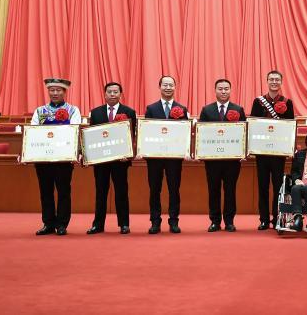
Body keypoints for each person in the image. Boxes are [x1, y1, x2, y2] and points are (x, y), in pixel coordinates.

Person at [29, 78, 81, 236]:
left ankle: (62, 224)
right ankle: (48, 223)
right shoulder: (40, 111)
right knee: (45, 191)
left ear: (64, 92)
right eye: (52, 90)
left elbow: (75, 130)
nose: (55, 93)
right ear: (48, 91)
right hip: (43, 159)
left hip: (63, 158)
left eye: (58, 90)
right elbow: (33, 131)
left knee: (63, 191)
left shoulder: (73, 110)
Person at [87, 82, 137, 235]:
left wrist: (128, 154)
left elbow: (133, 135)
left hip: (120, 161)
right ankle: (98, 224)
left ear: (120, 94)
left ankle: (124, 224)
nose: (113, 94)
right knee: (100, 192)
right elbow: (91, 136)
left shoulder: (129, 112)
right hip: (101, 161)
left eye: (116, 91)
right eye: (110, 92)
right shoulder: (95, 112)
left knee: (121, 192)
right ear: (105, 94)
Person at [198, 78, 246, 232]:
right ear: (215, 90)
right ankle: (215, 221)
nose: (223, 91)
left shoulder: (238, 109)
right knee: (213, 190)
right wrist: (200, 151)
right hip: (212, 160)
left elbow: (244, 132)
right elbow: (201, 133)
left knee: (230, 190)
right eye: (220, 89)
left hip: (232, 160)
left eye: (226, 89)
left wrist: (243, 151)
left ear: (230, 90)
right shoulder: (207, 110)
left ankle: (229, 221)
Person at [249, 70, 295, 231]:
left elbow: (290, 126)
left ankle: (277, 218)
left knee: (277, 187)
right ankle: (263, 219)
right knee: (262, 186)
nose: (274, 82)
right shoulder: (258, 102)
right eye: (271, 79)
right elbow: (253, 124)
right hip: (262, 152)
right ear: (267, 81)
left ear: (281, 82)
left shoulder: (288, 102)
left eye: (277, 79)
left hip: (278, 152)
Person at [144, 75, 190, 234]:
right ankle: (155, 222)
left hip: (174, 158)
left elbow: (185, 132)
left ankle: (174, 221)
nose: (168, 88)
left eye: (171, 85)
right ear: (159, 87)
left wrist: (186, 150)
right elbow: (146, 131)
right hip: (155, 158)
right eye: (165, 85)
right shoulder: (151, 109)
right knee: (154, 190)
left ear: (175, 87)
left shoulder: (182, 109)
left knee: (174, 190)